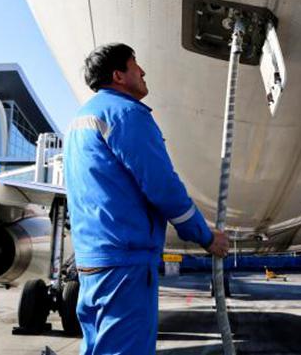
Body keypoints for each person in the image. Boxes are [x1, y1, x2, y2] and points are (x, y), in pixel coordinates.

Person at [64, 43, 230, 355]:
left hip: (92, 263)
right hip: (125, 264)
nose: (142, 72)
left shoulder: (79, 121)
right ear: (119, 75)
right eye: (135, 65)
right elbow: (163, 186)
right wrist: (205, 237)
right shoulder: (126, 114)